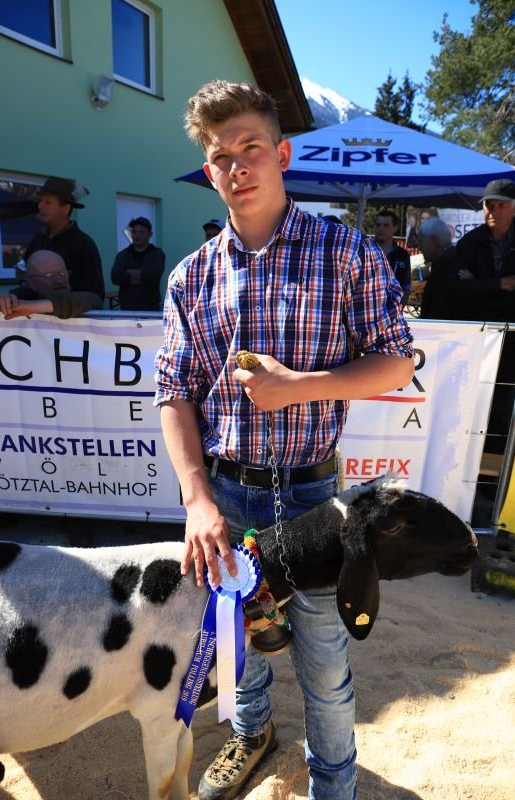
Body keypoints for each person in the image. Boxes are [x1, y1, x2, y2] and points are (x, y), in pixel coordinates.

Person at [154, 79, 414, 800]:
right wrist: (197, 500)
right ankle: (252, 733)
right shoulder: (191, 277)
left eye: (251, 148)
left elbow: (397, 360)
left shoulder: (346, 252)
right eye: (221, 155)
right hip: (227, 493)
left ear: (283, 153)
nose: (237, 166)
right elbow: (174, 392)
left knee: (324, 662)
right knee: (238, 642)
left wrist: (298, 386)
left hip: (312, 497)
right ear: (208, 170)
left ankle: (334, 784)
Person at [449, 178, 515, 453]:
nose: (493, 211)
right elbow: (456, 289)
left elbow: (468, 287)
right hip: (476, 336)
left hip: (512, 340)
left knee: (503, 404)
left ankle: (496, 466)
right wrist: (502, 284)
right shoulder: (470, 242)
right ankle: (468, 464)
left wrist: (477, 283)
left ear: (514, 207)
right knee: (470, 403)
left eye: (500, 205)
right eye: (489, 205)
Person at [25, 176, 105, 300]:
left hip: (70, 312)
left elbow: (94, 295)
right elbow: (29, 282)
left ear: (66, 208)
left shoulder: (83, 245)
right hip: (35, 311)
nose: (40, 206)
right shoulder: (38, 240)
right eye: (40, 201)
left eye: (48, 202)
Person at [0, 250, 102, 319]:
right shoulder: (24, 295)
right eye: (49, 275)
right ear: (31, 282)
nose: (59, 280)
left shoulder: (80, 298)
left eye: (62, 273)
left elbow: (93, 300)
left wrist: (32, 307)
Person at [111, 217, 165, 311]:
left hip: (150, 307)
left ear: (150, 234)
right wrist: (142, 275)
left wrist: (128, 274)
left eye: (141, 232)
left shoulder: (157, 254)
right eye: (134, 232)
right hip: (127, 307)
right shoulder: (122, 255)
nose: (137, 235)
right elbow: (115, 277)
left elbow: (153, 275)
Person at [417, 217, 455, 319]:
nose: (419, 247)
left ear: (434, 240)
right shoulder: (446, 261)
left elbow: (437, 309)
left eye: (421, 241)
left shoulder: (447, 265)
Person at [374, 209, 412, 304]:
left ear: (395, 228)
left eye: (386, 225)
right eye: (378, 225)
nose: (381, 228)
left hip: (392, 307)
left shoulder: (402, 255)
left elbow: (406, 287)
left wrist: (398, 309)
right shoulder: (364, 251)